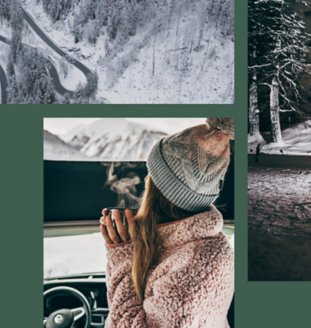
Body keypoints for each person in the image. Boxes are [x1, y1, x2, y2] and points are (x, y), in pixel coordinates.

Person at [99, 118, 234, 327]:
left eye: (151, 175)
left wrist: (124, 262)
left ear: (162, 190)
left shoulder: (193, 264)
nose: (145, 180)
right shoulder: (201, 246)